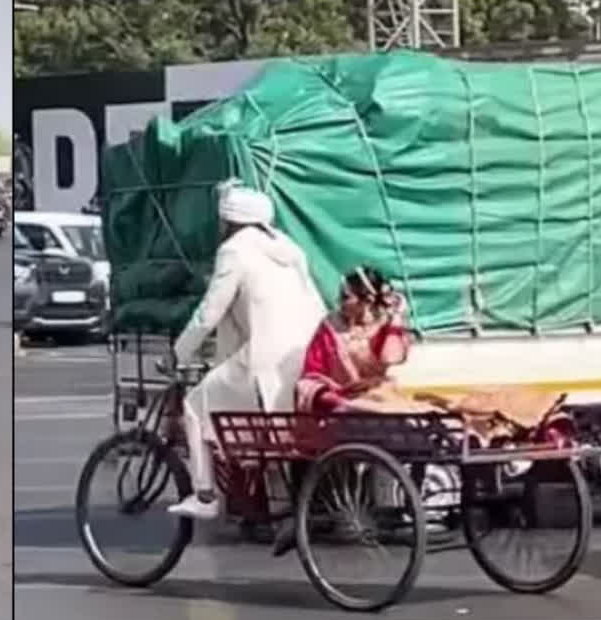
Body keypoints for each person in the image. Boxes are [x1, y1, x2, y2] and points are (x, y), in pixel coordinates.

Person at [167, 179, 327, 521]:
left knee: (194, 406)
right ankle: (286, 508)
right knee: (276, 436)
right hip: (305, 354)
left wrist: (179, 352)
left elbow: (209, 312)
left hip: (265, 357)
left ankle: (205, 495)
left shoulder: (235, 251)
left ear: (230, 221)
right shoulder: (288, 247)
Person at [295, 266, 415, 415]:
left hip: (381, 398)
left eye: (346, 297)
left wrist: (396, 317)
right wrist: (341, 403)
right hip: (341, 401)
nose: (339, 301)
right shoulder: (330, 327)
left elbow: (391, 357)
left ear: (367, 301)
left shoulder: (385, 325)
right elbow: (311, 377)